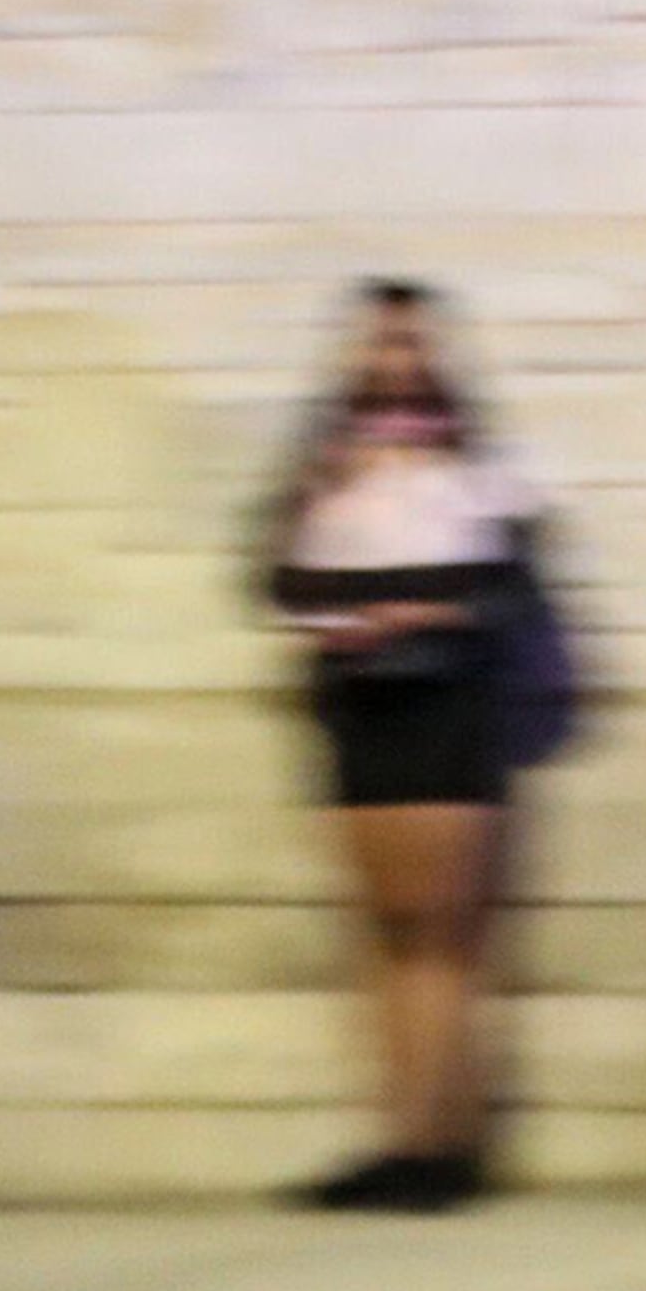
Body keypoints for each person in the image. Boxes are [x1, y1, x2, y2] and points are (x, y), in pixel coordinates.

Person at [254, 280, 552, 1213]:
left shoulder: (480, 469)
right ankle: (399, 1141)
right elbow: (270, 579)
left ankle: (436, 1149)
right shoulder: (322, 468)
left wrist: (418, 611)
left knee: (441, 941)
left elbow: (511, 592)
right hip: (356, 707)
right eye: (376, 345)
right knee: (384, 941)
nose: (391, 362)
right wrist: (336, 615)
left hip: (444, 705)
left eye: (408, 344)